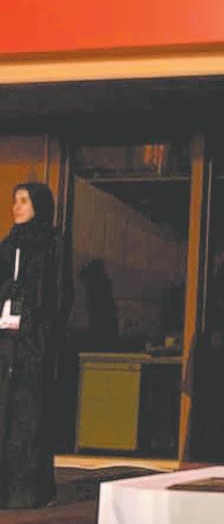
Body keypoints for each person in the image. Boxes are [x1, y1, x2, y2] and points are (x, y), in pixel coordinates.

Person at [0, 182, 61, 508]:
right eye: (15, 200)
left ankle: (28, 491)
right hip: (6, 343)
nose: (16, 207)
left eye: (23, 201)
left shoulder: (51, 244)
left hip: (34, 344)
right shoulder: (8, 245)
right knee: (5, 415)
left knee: (30, 417)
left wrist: (41, 334)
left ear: (38, 205)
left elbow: (59, 294)